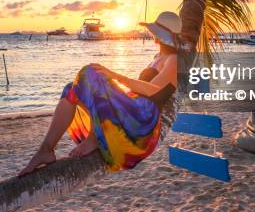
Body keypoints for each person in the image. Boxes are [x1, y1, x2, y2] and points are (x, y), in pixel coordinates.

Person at [18, 11, 182, 176]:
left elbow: (153, 90)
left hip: (142, 120)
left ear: (161, 35)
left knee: (89, 72)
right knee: (71, 89)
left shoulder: (174, 60)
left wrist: (115, 77)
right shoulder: (158, 56)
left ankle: (94, 138)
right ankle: (46, 150)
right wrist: (115, 87)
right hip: (134, 110)